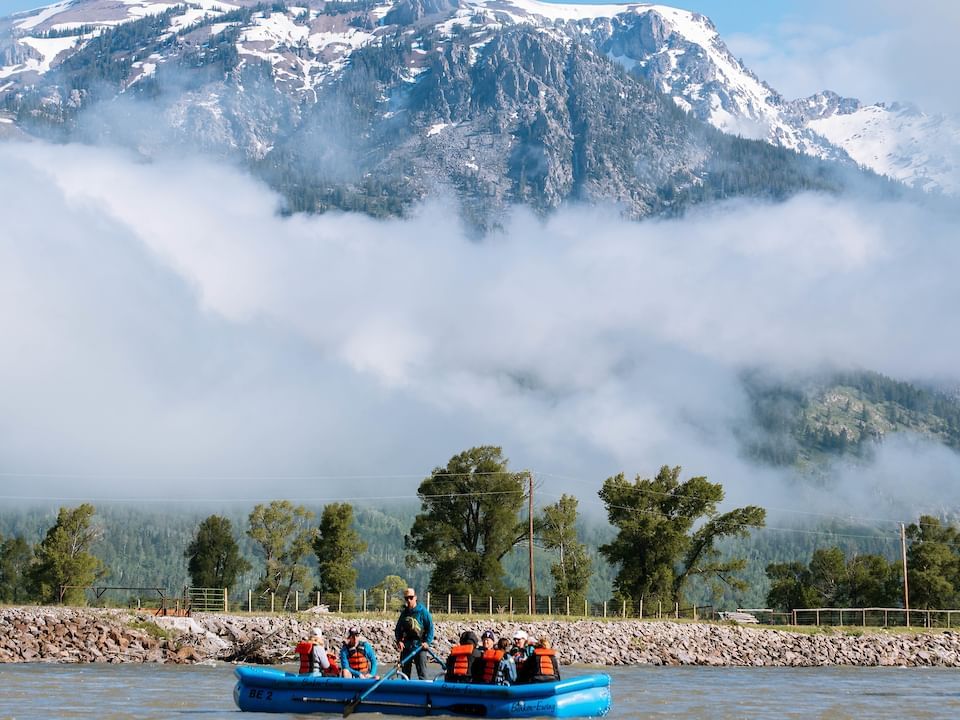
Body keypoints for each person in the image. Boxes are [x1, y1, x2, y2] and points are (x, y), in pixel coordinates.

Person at [394, 587, 434, 680]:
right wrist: (399, 641)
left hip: (420, 646)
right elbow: (398, 629)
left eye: (411, 597)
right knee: (405, 674)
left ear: (415, 598)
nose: (409, 600)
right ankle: (405, 690)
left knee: (422, 673)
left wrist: (427, 642)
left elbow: (430, 628)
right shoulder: (404, 613)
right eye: (406, 598)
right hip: (407, 646)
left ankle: (425, 691)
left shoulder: (423, 612)